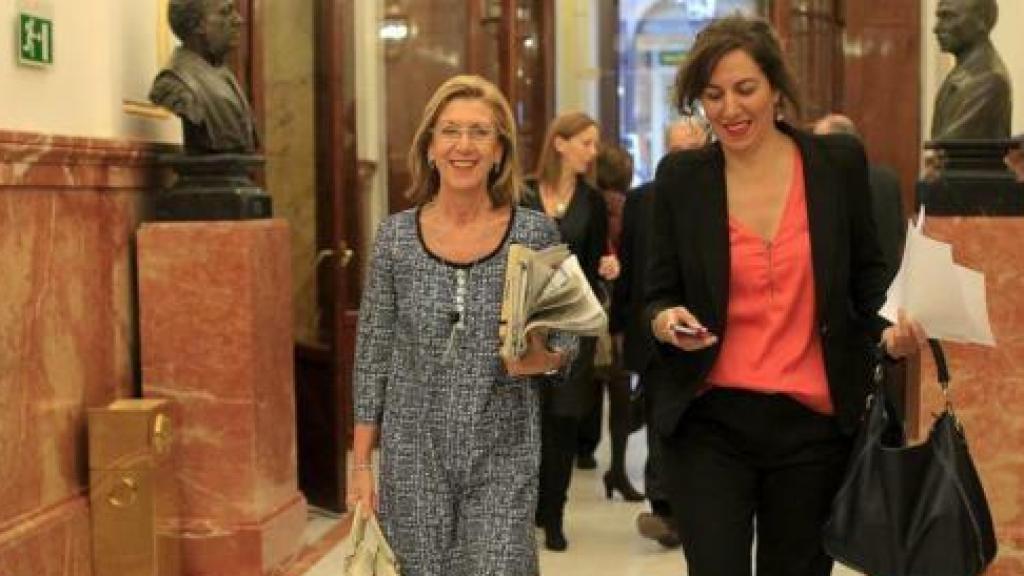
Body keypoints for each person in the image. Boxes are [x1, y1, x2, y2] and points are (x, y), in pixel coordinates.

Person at [644, 16, 925, 575]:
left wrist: (889, 331)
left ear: (775, 88)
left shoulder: (836, 165)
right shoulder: (681, 178)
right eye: (713, 95)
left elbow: (868, 280)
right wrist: (664, 320)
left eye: (744, 89)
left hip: (812, 427)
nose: (729, 109)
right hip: (709, 421)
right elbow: (653, 295)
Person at [348, 75, 576, 576]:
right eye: (450, 131)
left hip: (503, 448)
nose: (464, 146)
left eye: (480, 132)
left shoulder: (535, 232)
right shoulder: (395, 239)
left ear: (500, 152)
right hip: (413, 454)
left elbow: (568, 336)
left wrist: (546, 358)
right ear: (430, 147)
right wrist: (362, 464)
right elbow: (373, 353)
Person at [612, 117, 708, 549]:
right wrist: (619, 327)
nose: (685, 159)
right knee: (659, 420)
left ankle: (693, 506)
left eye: (693, 149)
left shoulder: (719, 196)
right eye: (677, 151)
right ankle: (664, 507)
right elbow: (631, 270)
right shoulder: (641, 200)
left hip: (706, 334)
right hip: (655, 333)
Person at [521, 111, 614, 551]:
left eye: (594, 144)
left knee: (561, 418)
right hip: (525, 320)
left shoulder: (593, 202)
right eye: (586, 142)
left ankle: (554, 515)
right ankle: (527, 509)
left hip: (573, 323)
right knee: (525, 418)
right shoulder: (521, 194)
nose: (592, 152)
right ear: (559, 143)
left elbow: (596, 264)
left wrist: (607, 271)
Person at [578, 142, 643, 503]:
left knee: (583, 385)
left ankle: (583, 450)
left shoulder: (585, 203)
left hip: (585, 307)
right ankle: (617, 468)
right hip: (615, 311)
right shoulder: (629, 206)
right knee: (619, 391)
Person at [150, 0, 258, 154]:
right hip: (207, 174)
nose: (239, 20)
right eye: (225, 12)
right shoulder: (175, 81)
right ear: (198, 25)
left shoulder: (222, 73)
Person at [930, 0, 1010, 140]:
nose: (936, 28)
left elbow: (950, 146)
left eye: (948, 17)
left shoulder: (987, 81)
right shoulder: (964, 74)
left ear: (981, 20)